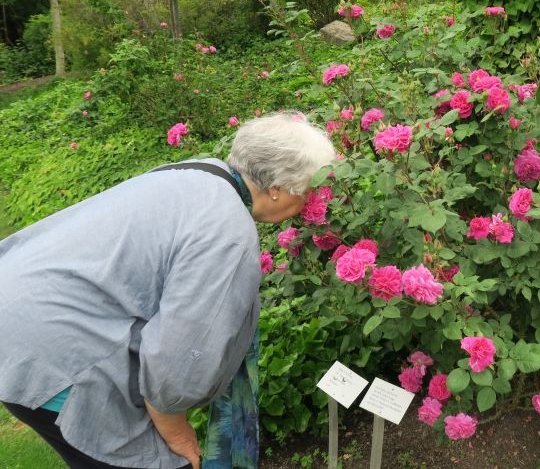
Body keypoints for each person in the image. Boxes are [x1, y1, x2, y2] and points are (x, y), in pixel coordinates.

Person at [0, 112, 336, 469]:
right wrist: (175, 430)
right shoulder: (227, 234)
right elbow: (180, 355)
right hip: (56, 352)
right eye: (306, 190)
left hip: (17, 312)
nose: (307, 201)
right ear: (277, 188)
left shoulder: (196, 173)